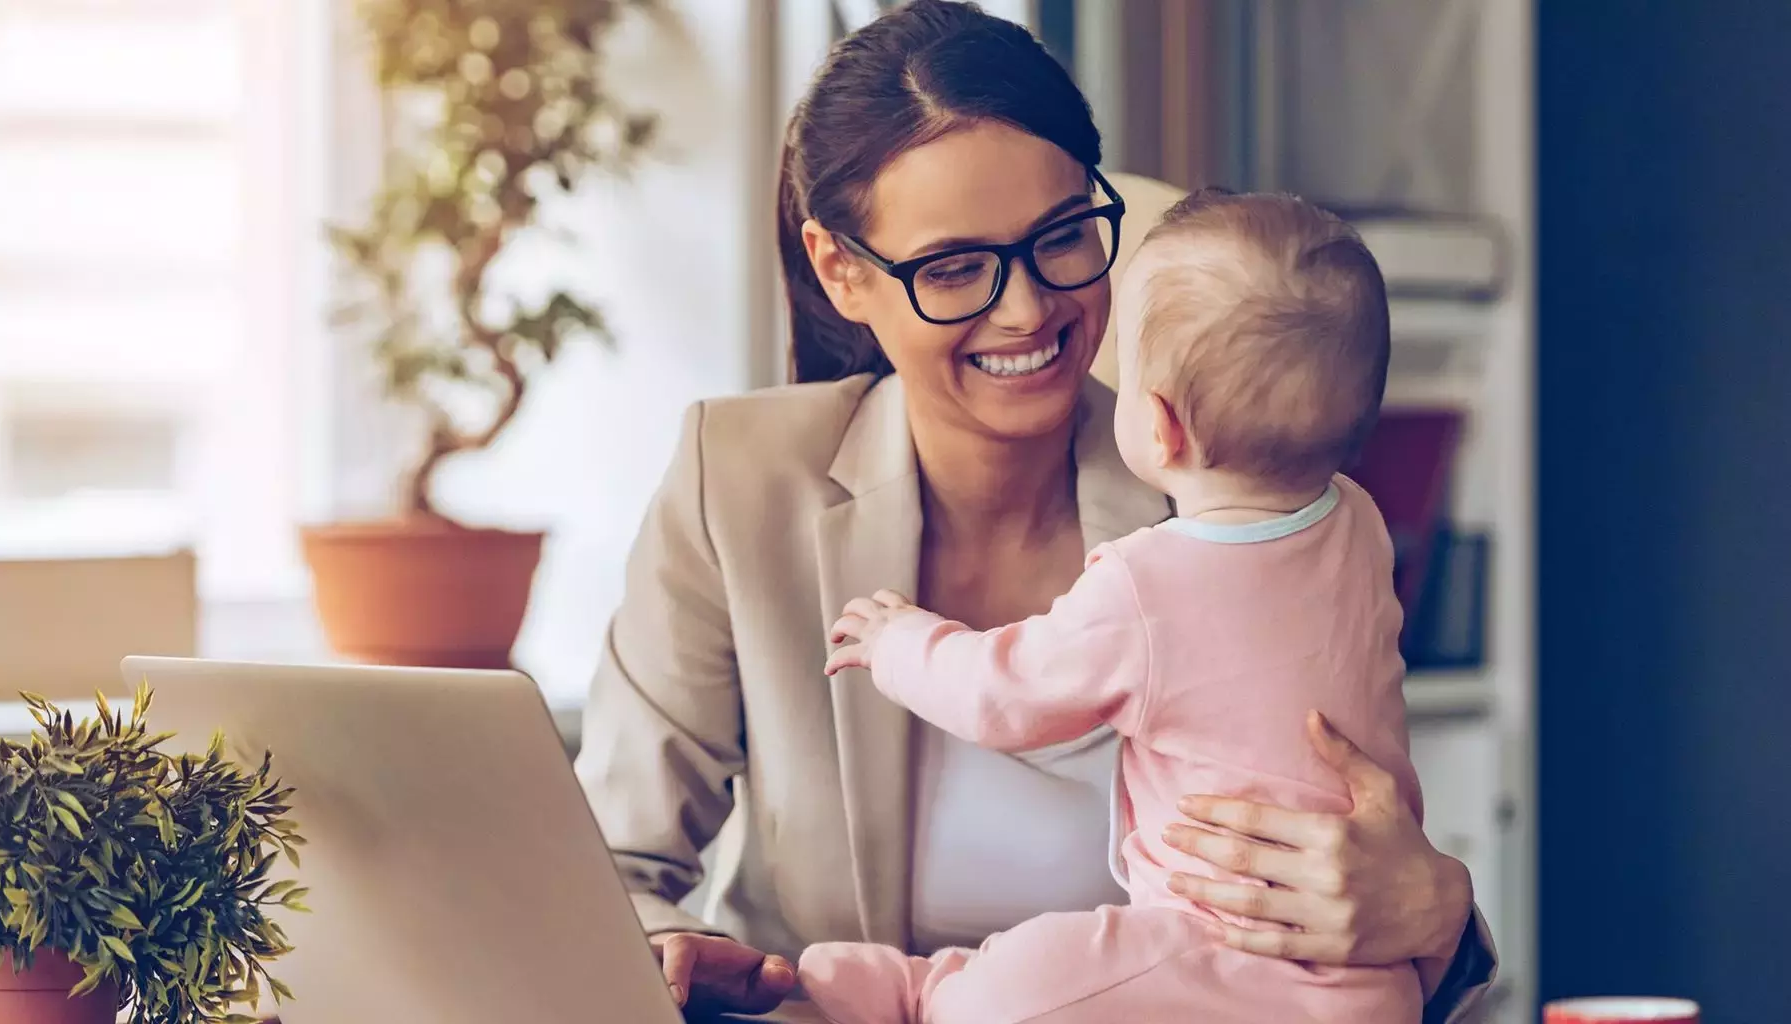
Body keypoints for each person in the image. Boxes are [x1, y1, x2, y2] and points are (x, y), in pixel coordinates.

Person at [573, 2, 1494, 1020]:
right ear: (843, 272)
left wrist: (1434, 908)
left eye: (1061, 238)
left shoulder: (1233, 491)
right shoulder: (736, 480)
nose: (1027, 310)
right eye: (955, 267)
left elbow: (1366, 852)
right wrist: (669, 958)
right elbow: (609, 864)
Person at [798, 189, 1423, 1024]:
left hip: (1218, 946)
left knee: (1032, 980)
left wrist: (901, 639)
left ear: (1158, 428)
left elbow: (1006, 694)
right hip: (1375, 982)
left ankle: (926, 994)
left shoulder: (1149, 584)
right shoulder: (1360, 525)